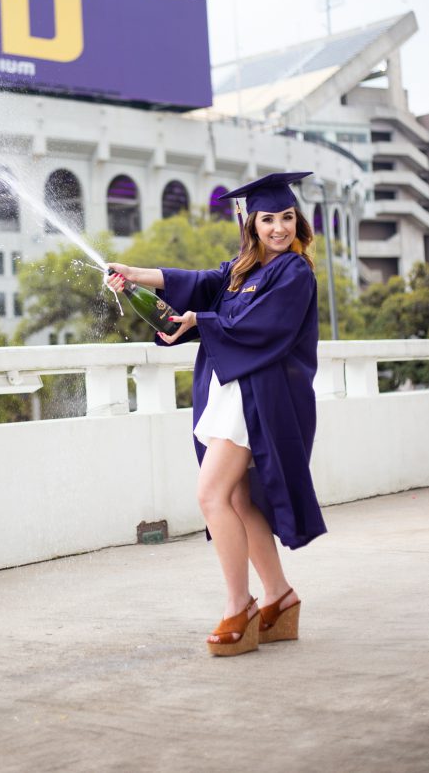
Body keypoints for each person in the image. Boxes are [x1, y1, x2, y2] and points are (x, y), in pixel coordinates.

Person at [107, 171, 326, 657]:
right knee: (239, 500)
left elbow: (261, 327)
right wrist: (137, 276)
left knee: (211, 496)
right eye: (268, 219)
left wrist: (199, 322)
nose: (278, 228)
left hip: (259, 398)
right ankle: (279, 597)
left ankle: (239, 606)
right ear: (251, 223)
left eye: (287, 218)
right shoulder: (242, 268)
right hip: (231, 393)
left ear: (297, 221)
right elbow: (202, 284)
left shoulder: (294, 273)